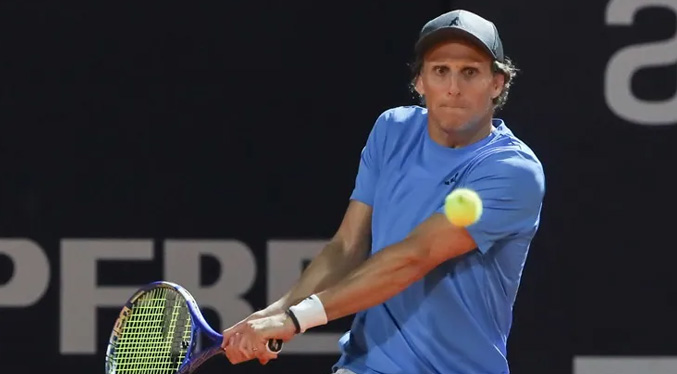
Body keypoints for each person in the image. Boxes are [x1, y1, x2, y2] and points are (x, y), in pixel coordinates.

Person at [221, 8, 545, 374]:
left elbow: (414, 256)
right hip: (366, 366)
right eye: (440, 71)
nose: (454, 87)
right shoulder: (392, 130)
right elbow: (347, 245)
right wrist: (275, 313)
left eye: (470, 72)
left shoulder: (513, 171)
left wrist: (297, 318)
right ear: (420, 81)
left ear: (497, 83)